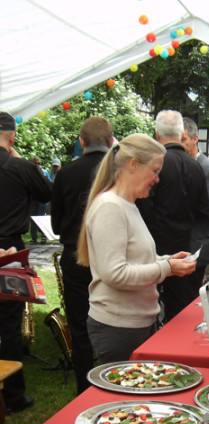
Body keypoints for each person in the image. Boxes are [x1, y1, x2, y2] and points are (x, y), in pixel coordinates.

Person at [77, 133, 196, 364]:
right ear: (133, 165)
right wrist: (166, 267)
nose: (157, 179)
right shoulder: (110, 207)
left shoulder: (127, 204)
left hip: (134, 325)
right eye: (154, 171)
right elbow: (115, 274)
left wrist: (167, 261)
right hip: (119, 328)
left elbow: (134, 259)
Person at [51, 116, 113, 394]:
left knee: (79, 323)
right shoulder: (119, 171)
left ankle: (84, 390)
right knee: (113, 319)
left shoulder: (66, 173)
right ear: (111, 141)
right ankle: (113, 381)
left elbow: (55, 223)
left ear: (81, 142)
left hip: (76, 256)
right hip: (111, 256)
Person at [136, 110, 209, 322]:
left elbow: (144, 203)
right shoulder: (196, 167)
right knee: (179, 308)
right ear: (180, 134)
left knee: (147, 303)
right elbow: (204, 209)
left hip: (154, 243)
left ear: (157, 134)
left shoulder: (156, 165)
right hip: (185, 245)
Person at [0, 111, 52, 414]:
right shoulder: (19, 166)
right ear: (12, 136)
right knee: (8, 324)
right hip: (10, 252)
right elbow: (46, 192)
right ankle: (14, 396)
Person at [181, 117, 209, 289]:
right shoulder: (189, 164)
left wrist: (188, 204)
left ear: (195, 139)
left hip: (200, 244)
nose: (180, 144)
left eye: (184, 139)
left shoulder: (207, 168)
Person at [29, 156, 51, 243]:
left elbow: (49, 185)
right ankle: (34, 237)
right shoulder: (29, 173)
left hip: (42, 200)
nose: (37, 165)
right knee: (33, 219)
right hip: (33, 199)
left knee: (41, 219)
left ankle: (43, 236)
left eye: (39, 163)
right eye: (35, 163)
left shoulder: (45, 172)